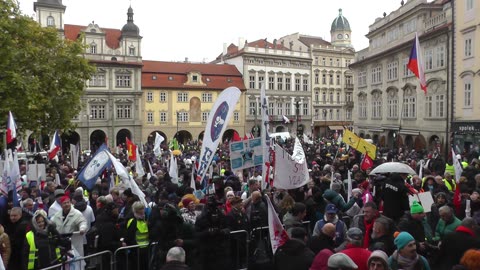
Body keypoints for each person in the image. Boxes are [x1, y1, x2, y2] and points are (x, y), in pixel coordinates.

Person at [125, 201, 150, 269]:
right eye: (140, 210)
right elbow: (128, 238)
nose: (142, 212)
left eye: (143, 209)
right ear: (136, 211)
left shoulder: (145, 220)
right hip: (136, 252)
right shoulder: (132, 221)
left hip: (146, 250)